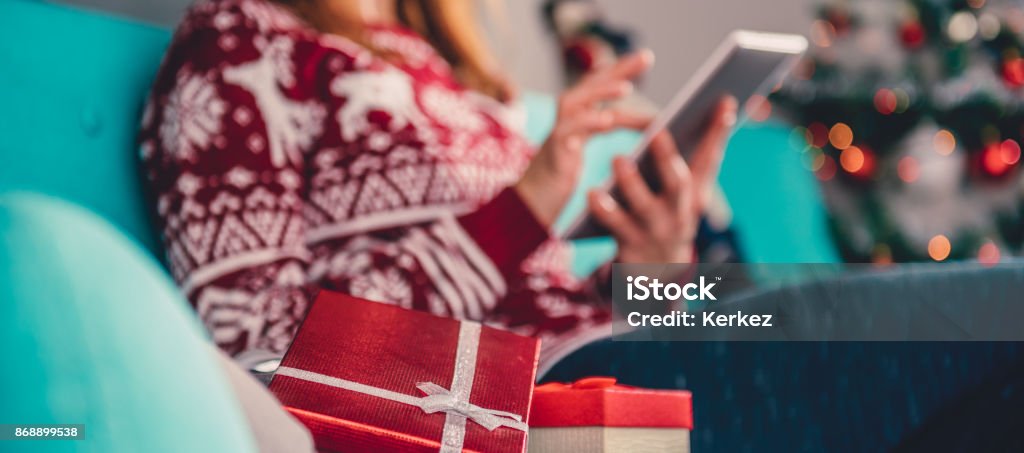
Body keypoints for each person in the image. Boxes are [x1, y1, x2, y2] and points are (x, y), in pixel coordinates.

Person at [138, 0, 736, 370]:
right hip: (514, 409)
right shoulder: (239, 47)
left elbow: (539, 299)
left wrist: (649, 274)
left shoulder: (457, 74)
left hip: (602, 378)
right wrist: (517, 214)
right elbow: (255, 345)